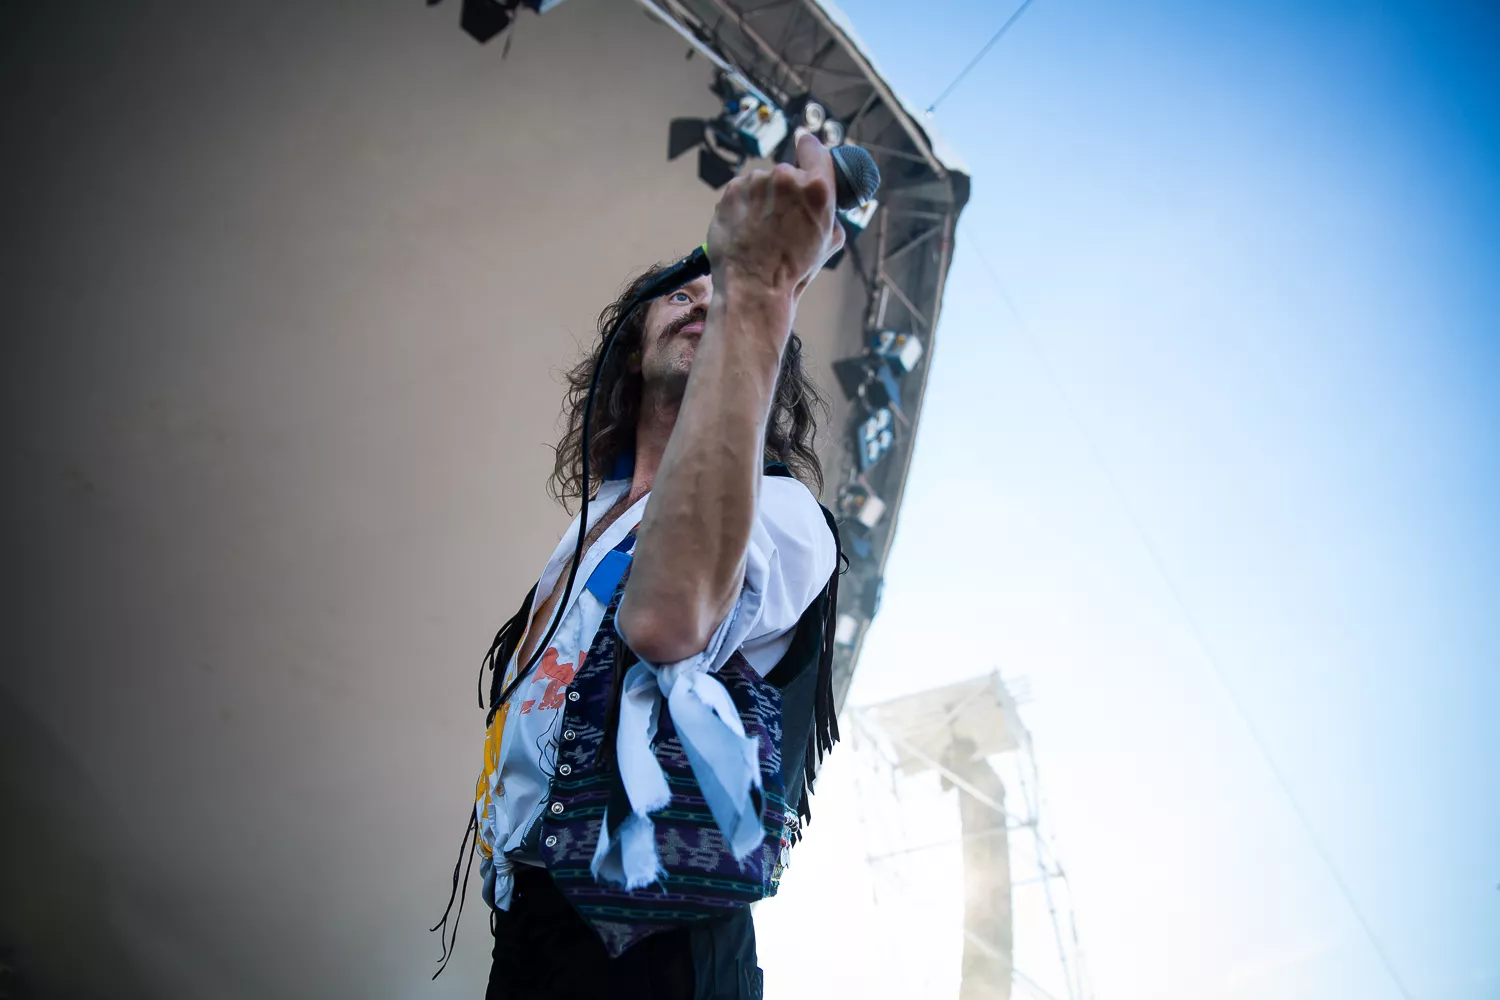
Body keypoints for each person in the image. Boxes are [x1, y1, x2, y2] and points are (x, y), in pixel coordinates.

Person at [464, 132, 848, 999]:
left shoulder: (785, 514)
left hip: (661, 945)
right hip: (532, 935)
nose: (706, 295)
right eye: (683, 290)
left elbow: (665, 623)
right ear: (631, 350)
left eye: (725, 291)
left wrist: (760, 291)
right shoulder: (587, 530)